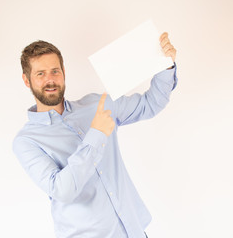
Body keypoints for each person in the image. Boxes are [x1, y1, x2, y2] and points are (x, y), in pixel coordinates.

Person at [13, 32, 177, 238]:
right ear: (26, 80)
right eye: (40, 73)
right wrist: (97, 133)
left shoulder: (96, 105)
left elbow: (150, 104)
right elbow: (63, 190)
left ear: (64, 72)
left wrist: (165, 65)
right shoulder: (26, 142)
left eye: (55, 71)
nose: (50, 79)